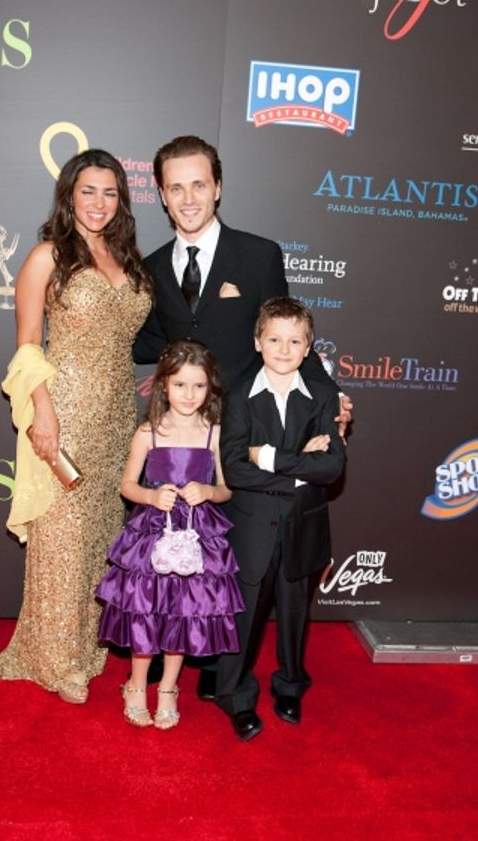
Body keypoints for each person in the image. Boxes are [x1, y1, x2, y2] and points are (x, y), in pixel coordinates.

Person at [132, 134, 352, 695]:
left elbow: (287, 336)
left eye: (198, 184)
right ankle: (175, 644)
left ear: (218, 188)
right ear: (161, 194)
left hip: (246, 430)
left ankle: (216, 665)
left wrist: (329, 401)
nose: (188, 198)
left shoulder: (258, 255)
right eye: (176, 187)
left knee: (232, 553)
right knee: (176, 538)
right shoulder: (151, 268)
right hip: (184, 431)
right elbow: (148, 339)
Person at [0, 149, 152, 704]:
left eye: (110, 192)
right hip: (66, 412)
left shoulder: (127, 259)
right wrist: (43, 411)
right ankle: (55, 661)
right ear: (69, 196)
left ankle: (85, 646)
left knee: (101, 536)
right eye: (88, 191)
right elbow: (27, 346)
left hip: (118, 416)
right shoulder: (47, 256)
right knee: (63, 539)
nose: (99, 203)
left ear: (121, 200)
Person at [96, 340, 244, 729]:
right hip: (152, 533)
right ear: (164, 384)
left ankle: (168, 688)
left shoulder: (214, 434)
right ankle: (136, 684)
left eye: (198, 386)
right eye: (180, 385)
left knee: (184, 613)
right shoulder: (148, 433)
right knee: (145, 612)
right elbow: (127, 485)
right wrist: (149, 495)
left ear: (210, 388)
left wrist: (208, 491)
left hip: (198, 536)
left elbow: (227, 489)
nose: (189, 394)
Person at [216, 297, 346, 740]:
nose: (284, 349)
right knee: (244, 617)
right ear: (258, 342)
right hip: (252, 527)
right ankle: (234, 694)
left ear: (308, 348)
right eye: (274, 339)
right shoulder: (238, 395)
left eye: (294, 341)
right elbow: (235, 469)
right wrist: (298, 466)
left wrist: (268, 456)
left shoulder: (323, 396)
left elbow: (332, 466)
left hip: (302, 524)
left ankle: (290, 686)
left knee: (295, 614)